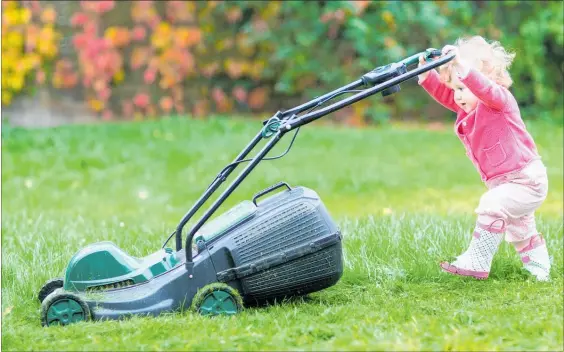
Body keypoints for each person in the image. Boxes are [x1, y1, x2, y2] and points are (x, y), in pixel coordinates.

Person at [417, 35, 551, 281]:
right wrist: (427, 75)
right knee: (521, 231)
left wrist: (462, 67)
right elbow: (448, 95)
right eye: (456, 88)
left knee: (491, 204)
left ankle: (477, 260)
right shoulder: (469, 106)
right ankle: (539, 269)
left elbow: (483, 89)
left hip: (526, 180)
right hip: (507, 183)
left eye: (463, 88)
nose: (458, 96)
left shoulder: (500, 101)